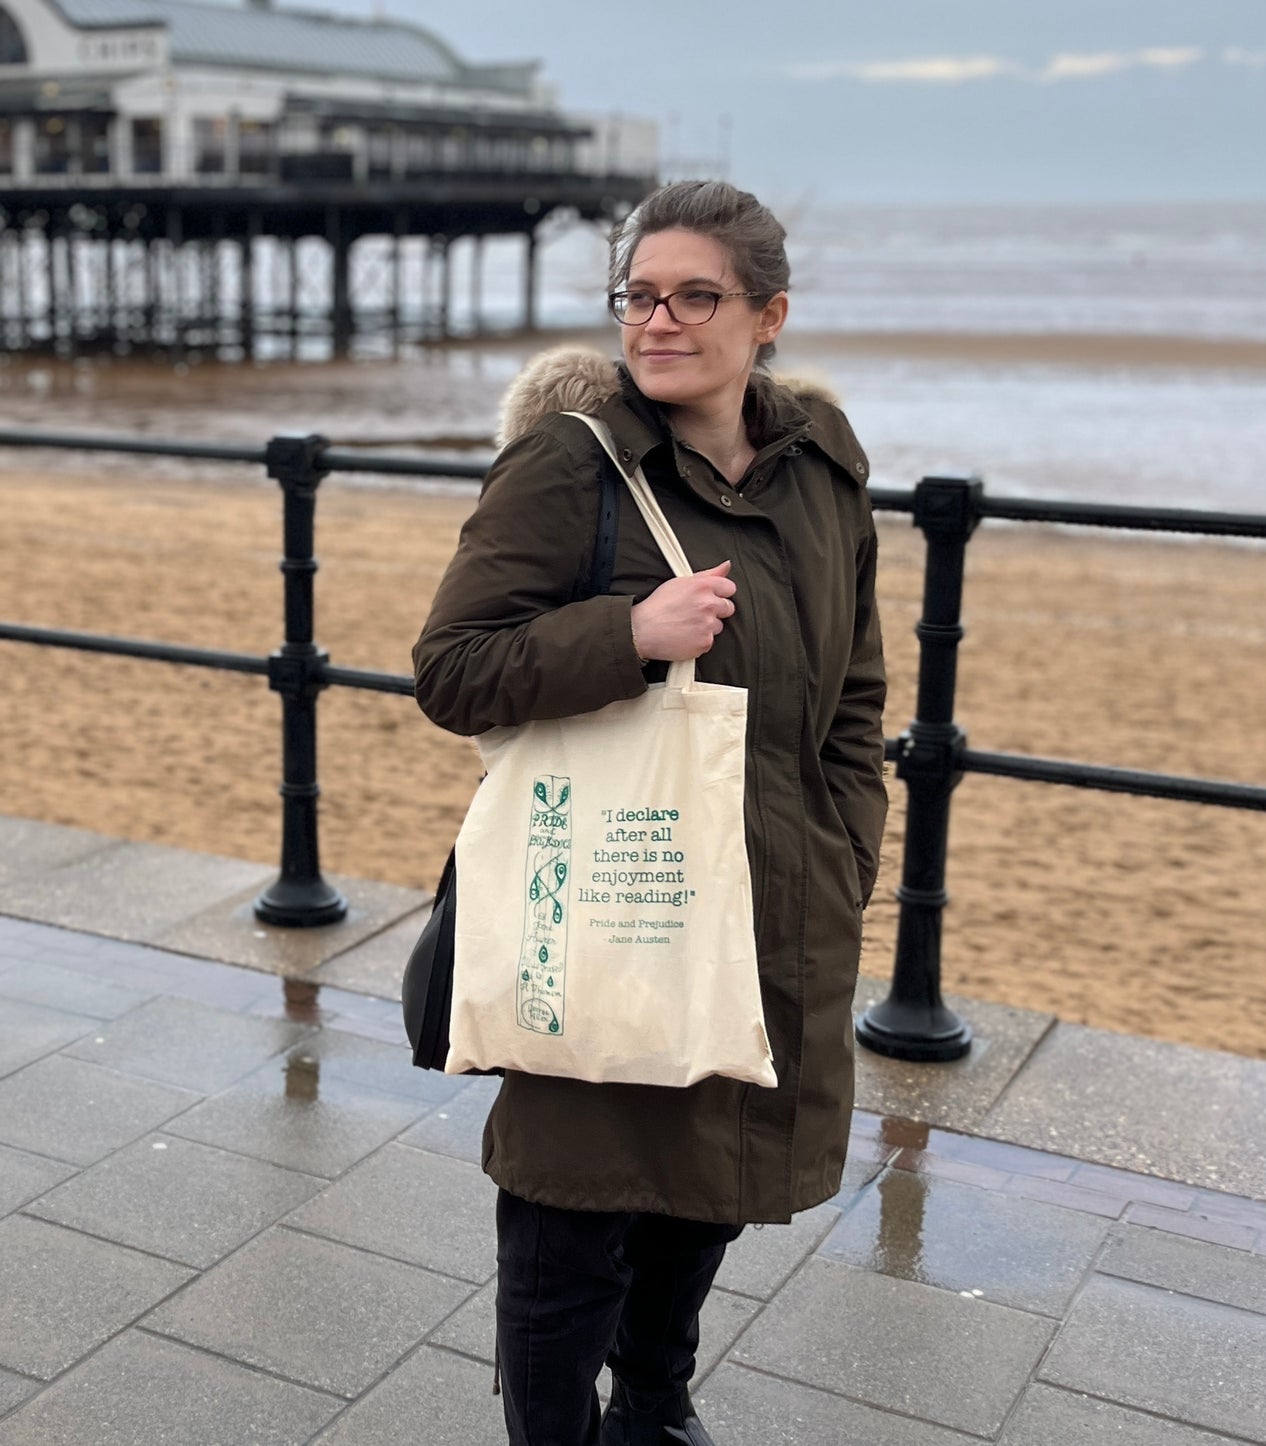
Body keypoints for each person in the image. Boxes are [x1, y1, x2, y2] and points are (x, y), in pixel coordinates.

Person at [413, 180, 888, 1446]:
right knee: (571, 1211)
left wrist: (844, 854)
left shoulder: (823, 480)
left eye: (694, 296)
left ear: (768, 315)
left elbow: (855, 696)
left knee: (712, 1185)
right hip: (611, 902)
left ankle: (656, 1405)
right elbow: (451, 670)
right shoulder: (572, 468)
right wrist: (625, 633)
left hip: (775, 899)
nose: (658, 322)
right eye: (637, 295)